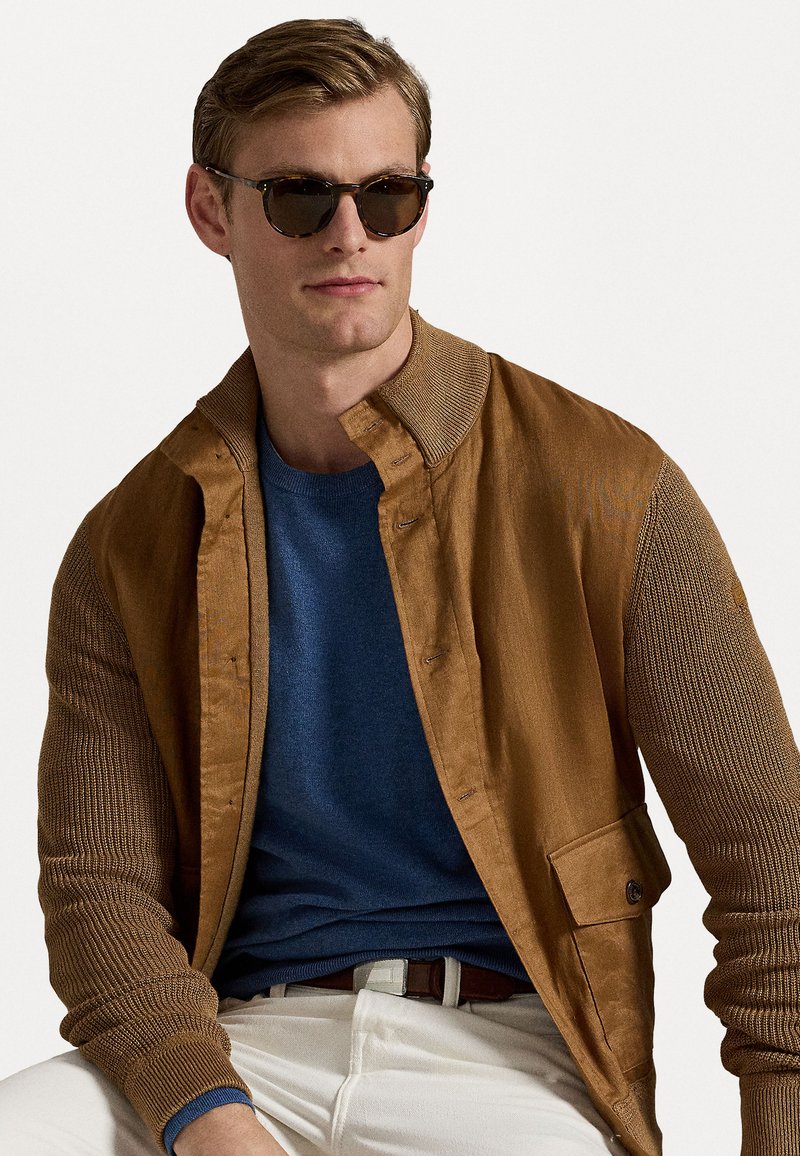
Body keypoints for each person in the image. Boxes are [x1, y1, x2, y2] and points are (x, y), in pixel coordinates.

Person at [1, 15, 798, 1156]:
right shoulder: (131, 544)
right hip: (234, 1051)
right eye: (298, 198)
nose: (350, 235)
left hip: (506, 1060)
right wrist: (206, 1117)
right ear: (210, 210)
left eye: (387, 196)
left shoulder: (605, 489)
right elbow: (100, 896)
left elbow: (774, 872)